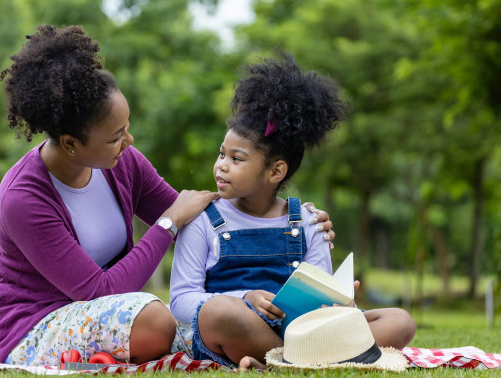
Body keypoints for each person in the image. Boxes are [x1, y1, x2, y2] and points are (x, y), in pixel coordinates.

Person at [0, 25, 334, 367]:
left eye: (127, 128)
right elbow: (100, 291)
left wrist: (294, 218)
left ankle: (296, 349)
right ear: (71, 143)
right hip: (31, 327)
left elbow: (196, 211)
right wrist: (167, 224)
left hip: (106, 317)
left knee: (195, 328)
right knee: (155, 321)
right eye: (116, 136)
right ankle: (301, 356)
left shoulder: (122, 162)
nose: (129, 143)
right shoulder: (24, 198)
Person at [169, 53, 416, 369]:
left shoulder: (310, 222)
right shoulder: (203, 221)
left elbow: (322, 296)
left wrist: (341, 303)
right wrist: (244, 298)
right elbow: (181, 302)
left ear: (275, 171)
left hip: (304, 330)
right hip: (240, 328)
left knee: (400, 320)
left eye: (237, 159)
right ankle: (308, 358)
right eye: (221, 154)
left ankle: (280, 360)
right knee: (219, 313)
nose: (221, 166)